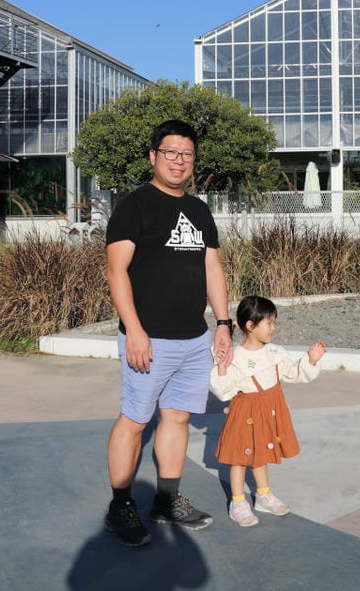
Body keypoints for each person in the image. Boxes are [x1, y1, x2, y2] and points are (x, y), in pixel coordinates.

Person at [103, 119, 235, 547]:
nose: (179, 161)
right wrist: (135, 330)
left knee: (177, 418)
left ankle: (166, 499)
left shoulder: (199, 210)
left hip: (194, 339)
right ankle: (120, 504)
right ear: (153, 156)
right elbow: (116, 270)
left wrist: (222, 324)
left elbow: (212, 267)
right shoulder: (134, 206)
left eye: (187, 154)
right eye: (171, 152)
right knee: (135, 420)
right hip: (149, 338)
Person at [210, 295, 326, 527]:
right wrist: (222, 366)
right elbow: (223, 392)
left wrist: (311, 361)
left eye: (274, 322)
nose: (273, 328)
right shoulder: (235, 357)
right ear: (250, 326)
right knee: (240, 459)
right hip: (244, 414)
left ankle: (263, 495)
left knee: (260, 453)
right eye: (269, 323)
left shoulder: (275, 353)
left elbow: (294, 373)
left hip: (269, 410)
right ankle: (238, 502)